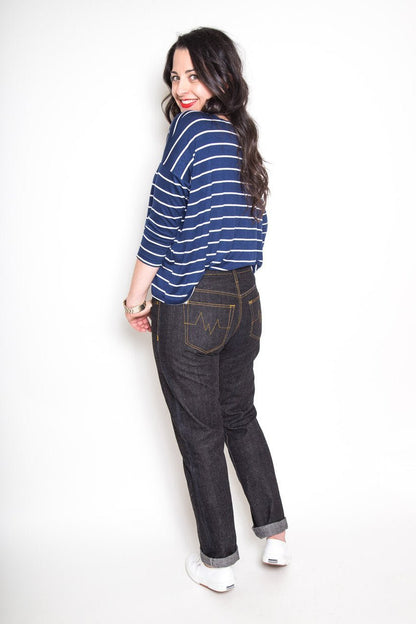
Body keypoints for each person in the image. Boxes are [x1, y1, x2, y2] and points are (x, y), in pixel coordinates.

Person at [124, 27, 289, 593]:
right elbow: (255, 225)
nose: (182, 88)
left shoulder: (190, 130)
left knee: (201, 434)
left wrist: (136, 296)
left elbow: (161, 219)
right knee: (240, 416)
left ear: (222, 75)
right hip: (245, 300)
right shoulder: (241, 135)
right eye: (175, 77)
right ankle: (275, 534)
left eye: (194, 74)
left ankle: (218, 563)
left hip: (194, 301)